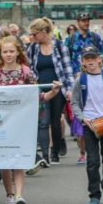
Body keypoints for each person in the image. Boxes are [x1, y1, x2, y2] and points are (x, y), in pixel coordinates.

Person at [0, 36, 60, 204]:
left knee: (18, 159)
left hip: (21, 123)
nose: (9, 54)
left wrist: (53, 92)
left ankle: (19, 194)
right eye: (5, 51)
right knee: (4, 160)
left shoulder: (26, 72)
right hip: (1, 123)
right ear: (0, 53)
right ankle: (9, 194)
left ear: (18, 52)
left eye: (12, 51)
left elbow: (37, 96)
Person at [27, 17, 74, 165]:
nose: (32, 37)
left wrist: (69, 89)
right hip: (41, 89)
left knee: (55, 121)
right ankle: (45, 155)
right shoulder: (33, 48)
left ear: (44, 32)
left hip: (57, 88)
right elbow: (30, 70)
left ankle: (56, 152)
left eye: (35, 34)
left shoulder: (60, 46)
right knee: (43, 121)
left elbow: (67, 69)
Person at [70, 45, 103, 204]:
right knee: (92, 161)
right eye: (87, 58)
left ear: (99, 59)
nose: (90, 61)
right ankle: (94, 195)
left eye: (93, 57)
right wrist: (83, 119)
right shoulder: (81, 80)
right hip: (90, 124)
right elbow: (74, 103)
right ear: (83, 62)